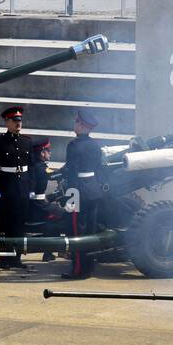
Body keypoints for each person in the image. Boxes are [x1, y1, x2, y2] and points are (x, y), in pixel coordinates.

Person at [0, 104, 33, 270]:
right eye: (14, 121)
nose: (18, 123)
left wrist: (32, 188)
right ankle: (5, 257)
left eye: (19, 120)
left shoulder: (27, 141)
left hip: (22, 186)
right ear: (7, 122)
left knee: (20, 224)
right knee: (6, 224)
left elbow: (31, 166)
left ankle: (17, 257)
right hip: (6, 185)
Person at [60, 109, 104, 277]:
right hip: (93, 190)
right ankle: (88, 267)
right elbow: (98, 170)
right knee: (90, 232)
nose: (75, 124)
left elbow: (71, 171)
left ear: (81, 124)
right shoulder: (95, 145)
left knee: (77, 232)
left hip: (78, 191)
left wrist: (69, 196)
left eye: (76, 122)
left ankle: (78, 270)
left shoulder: (73, 145)